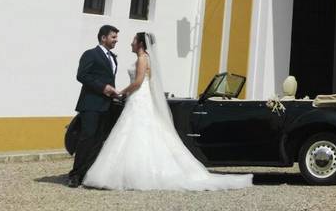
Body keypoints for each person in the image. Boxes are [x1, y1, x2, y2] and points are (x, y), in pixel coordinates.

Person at [82, 32, 253, 191]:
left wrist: (121, 91)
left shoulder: (142, 58)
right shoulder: (146, 57)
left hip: (139, 97)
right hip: (139, 98)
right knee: (142, 132)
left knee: (135, 131)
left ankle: (136, 174)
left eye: (134, 41)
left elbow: (139, 81)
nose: (131, 43)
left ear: (140, 43)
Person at [68, 24, 120, 188]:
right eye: (113, 37)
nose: (116, 40)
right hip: (90, 104)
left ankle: (87, 173)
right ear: (103, 38)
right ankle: (75, 175)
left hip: (106, 105)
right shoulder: (90, 54)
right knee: (86, 138)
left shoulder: (113, 57)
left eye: (116, 37)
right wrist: (102, 87)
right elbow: (82, 75)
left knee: (98, 141)